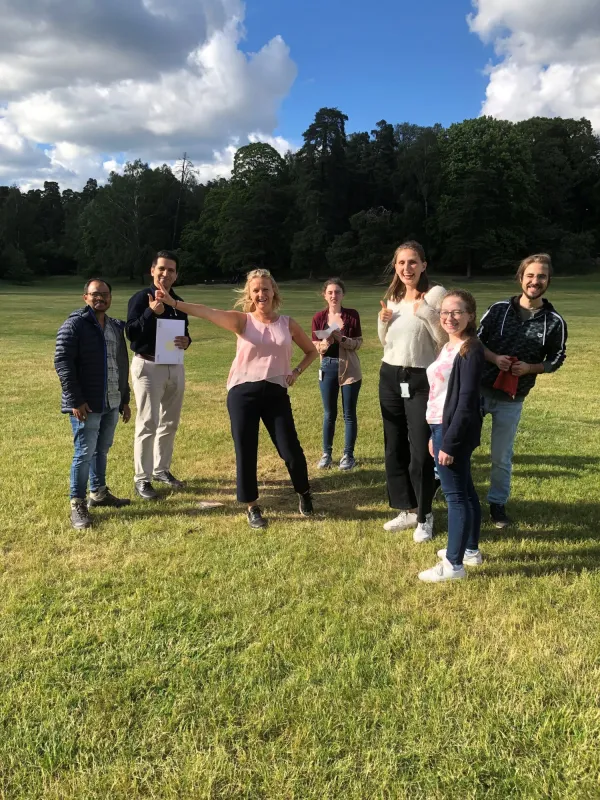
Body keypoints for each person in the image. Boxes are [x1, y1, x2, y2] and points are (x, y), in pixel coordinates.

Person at [155, 268, 318, 529]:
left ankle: (304, 492)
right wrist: (173, 303)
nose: (261, 294)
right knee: (246, 450)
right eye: (256, 290)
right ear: (250, 295)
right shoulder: (242, 321)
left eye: (265, 289)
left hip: (276, 393)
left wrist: (296, 371)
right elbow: (206, 312)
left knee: (290, 450)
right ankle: (252, 506)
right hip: (243, 393)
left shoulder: (287, 323)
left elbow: (311, 351)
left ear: (274, 291)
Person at [478, 253, 567, 528]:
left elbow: (557, 358)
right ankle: (450, 492)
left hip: (512, 398)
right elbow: (474, 341)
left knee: (500, 457)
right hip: (478, 391)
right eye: (530, 275)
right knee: (459, 445)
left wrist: (530, 368)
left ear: (548, 281)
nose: (535, 281)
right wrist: (495, 358)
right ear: (520, 278)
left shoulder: (554, 321)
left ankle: (497, 504)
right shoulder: (498, 309)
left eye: (541, 276)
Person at [378, 240, 447, 539]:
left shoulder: (435, 294)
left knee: (420, 449)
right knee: (394, 446)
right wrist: (382, 322)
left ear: (423, 265)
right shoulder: (393, 298)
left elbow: (444, 338)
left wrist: (427, 313)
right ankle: (406, 509)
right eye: (402, 263)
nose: (407, 268)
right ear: (396, 267)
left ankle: (424, 515)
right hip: (390, 375)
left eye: (413, 262)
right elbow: (385, 342)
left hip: (421, 378)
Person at [418, 290, 485, 582]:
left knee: (455, 497)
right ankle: (469, 550)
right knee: (466, 491)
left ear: (470, 315)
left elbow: (467, 402)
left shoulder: (470, 350)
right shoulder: (448, 346)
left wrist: (449, 441)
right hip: (440, 426)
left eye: (457, 312)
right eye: (445, 311)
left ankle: (453, 565)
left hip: (452, 428)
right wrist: (436, 434)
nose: (450, 317)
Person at [55, 279, 132, 530]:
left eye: (105, 294)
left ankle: (98, 493)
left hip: (111, 400)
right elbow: (63, 362)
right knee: (84, 453)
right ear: (85, 297)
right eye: (95, 294)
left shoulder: (115, 326)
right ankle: (77, 503)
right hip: (86, 403)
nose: (101, 298)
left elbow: (120, 364)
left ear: (111, 297)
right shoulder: (75, 324)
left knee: (102, 449)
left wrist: (124, 399)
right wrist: (76, 400)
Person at [126, 250, 191, 500]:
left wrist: (187, 341)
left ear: (176, 275)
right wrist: (150, 311)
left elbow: (185, 334)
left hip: (174, 366)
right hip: (148, 366)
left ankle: (161, 469)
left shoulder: (178, 302)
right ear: (152, 270)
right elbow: (131, 333)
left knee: (170, 422)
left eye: (171, 270)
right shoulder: (141, 298)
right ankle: (142, 479)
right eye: (161, 268)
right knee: (147, 422)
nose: (166, 273)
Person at [312, 278, 363, 470]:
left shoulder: (352, 315)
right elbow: (316, 346)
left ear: (343, 294)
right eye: (330, 292)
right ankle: (326, 454)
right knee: (329, 414)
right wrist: (326, 343)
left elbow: (358, 343)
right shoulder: (318, 317)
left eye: (337, 292)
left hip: (349, 368)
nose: (334, 296)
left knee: (349, 414)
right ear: (324, 295)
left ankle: (348, 455)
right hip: (327, 368)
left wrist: (342, 339)